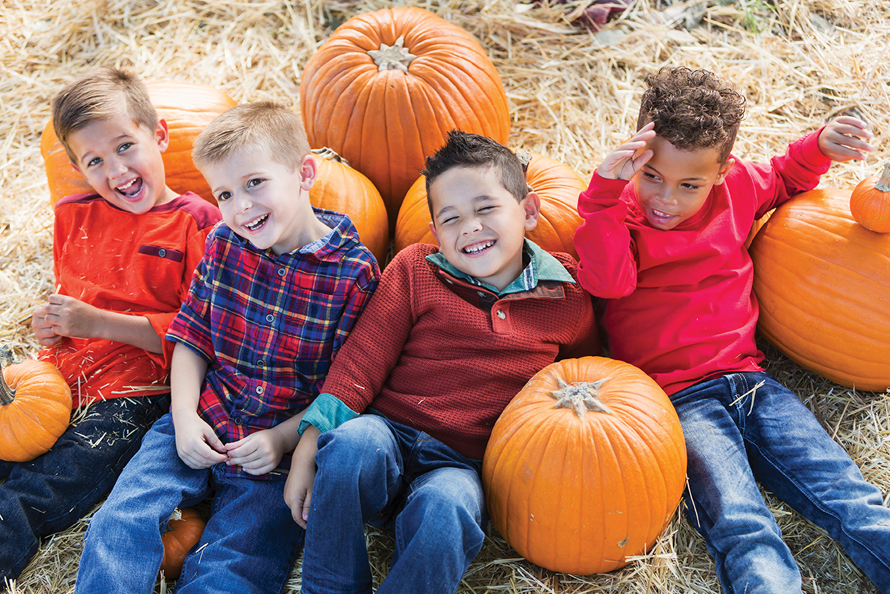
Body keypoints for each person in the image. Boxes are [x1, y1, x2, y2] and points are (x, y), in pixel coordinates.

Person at [573, 65, 890, 594]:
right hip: (679, 401)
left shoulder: (738, 188)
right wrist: (603, 196)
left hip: (753, 383)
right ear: (637, 158)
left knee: (847, 493)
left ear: (721, 172)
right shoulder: (620, 214)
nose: (665, 199)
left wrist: (820, 144)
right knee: (742, 525)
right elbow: (607, 282)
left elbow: (787, 175)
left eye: (689, 184)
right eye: (651, 176)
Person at [73, 101, 380, 593]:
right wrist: (185, 414)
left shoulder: (354, 274)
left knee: (235, 563)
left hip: (270, 457)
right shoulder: (224, 242)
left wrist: (282, 440)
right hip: (202, 416)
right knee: (122, 519)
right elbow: (191, 336)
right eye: (225, 193)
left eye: (254, 183)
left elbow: (341, 387)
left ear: (304, 173)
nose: (241, 207)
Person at [285, 130, 600, 594]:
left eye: (486, 208)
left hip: (462, 462)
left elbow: (590, 372)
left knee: (449, 506)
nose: (469, 227)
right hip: (388, 435)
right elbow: (360, 363)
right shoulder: (416, 269)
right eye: (451, 218)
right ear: (435, 232)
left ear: (529, 211)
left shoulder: (566, 296)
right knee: (353, 443)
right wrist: (306, 451)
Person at [0, 67, 221, 583]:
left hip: (135, 398)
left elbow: (202, 335)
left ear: (159, 134)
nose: (116, 169)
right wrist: (54, 326)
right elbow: (75, 298)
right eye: (95, 160)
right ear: (77, 167)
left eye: (125, 146)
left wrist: (99, 323)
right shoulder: (74, 216)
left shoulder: (197, 224)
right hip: (59, 383)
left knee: (37, 490)